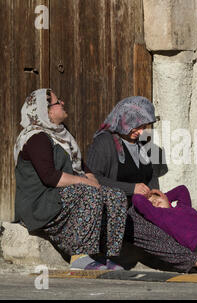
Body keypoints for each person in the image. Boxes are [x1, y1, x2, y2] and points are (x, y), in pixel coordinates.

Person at [86, 97, 197, 273]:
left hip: (145, 208)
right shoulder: (104, 142)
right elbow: (93, 180)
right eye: (137, 126)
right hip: (119, 212)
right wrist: (131, 189)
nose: (141, 131)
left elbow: (150, 178)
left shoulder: (143, 146)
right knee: (152, 234)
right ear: (124, 120)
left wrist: (157, 198)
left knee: (177, 222)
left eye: (144, 127)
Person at [13, 89, 128, 270]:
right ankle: (79, 256)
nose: (63, 103)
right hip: (39, 203)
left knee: (115, 196)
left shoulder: (62, 135)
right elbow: (50, 177)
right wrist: (84, 182)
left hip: (60, 196)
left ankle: (102, 254)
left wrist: (92, 180)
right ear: (47, 111)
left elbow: (82, 167)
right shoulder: (37, 137)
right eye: (58, 102)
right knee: (89, 193)